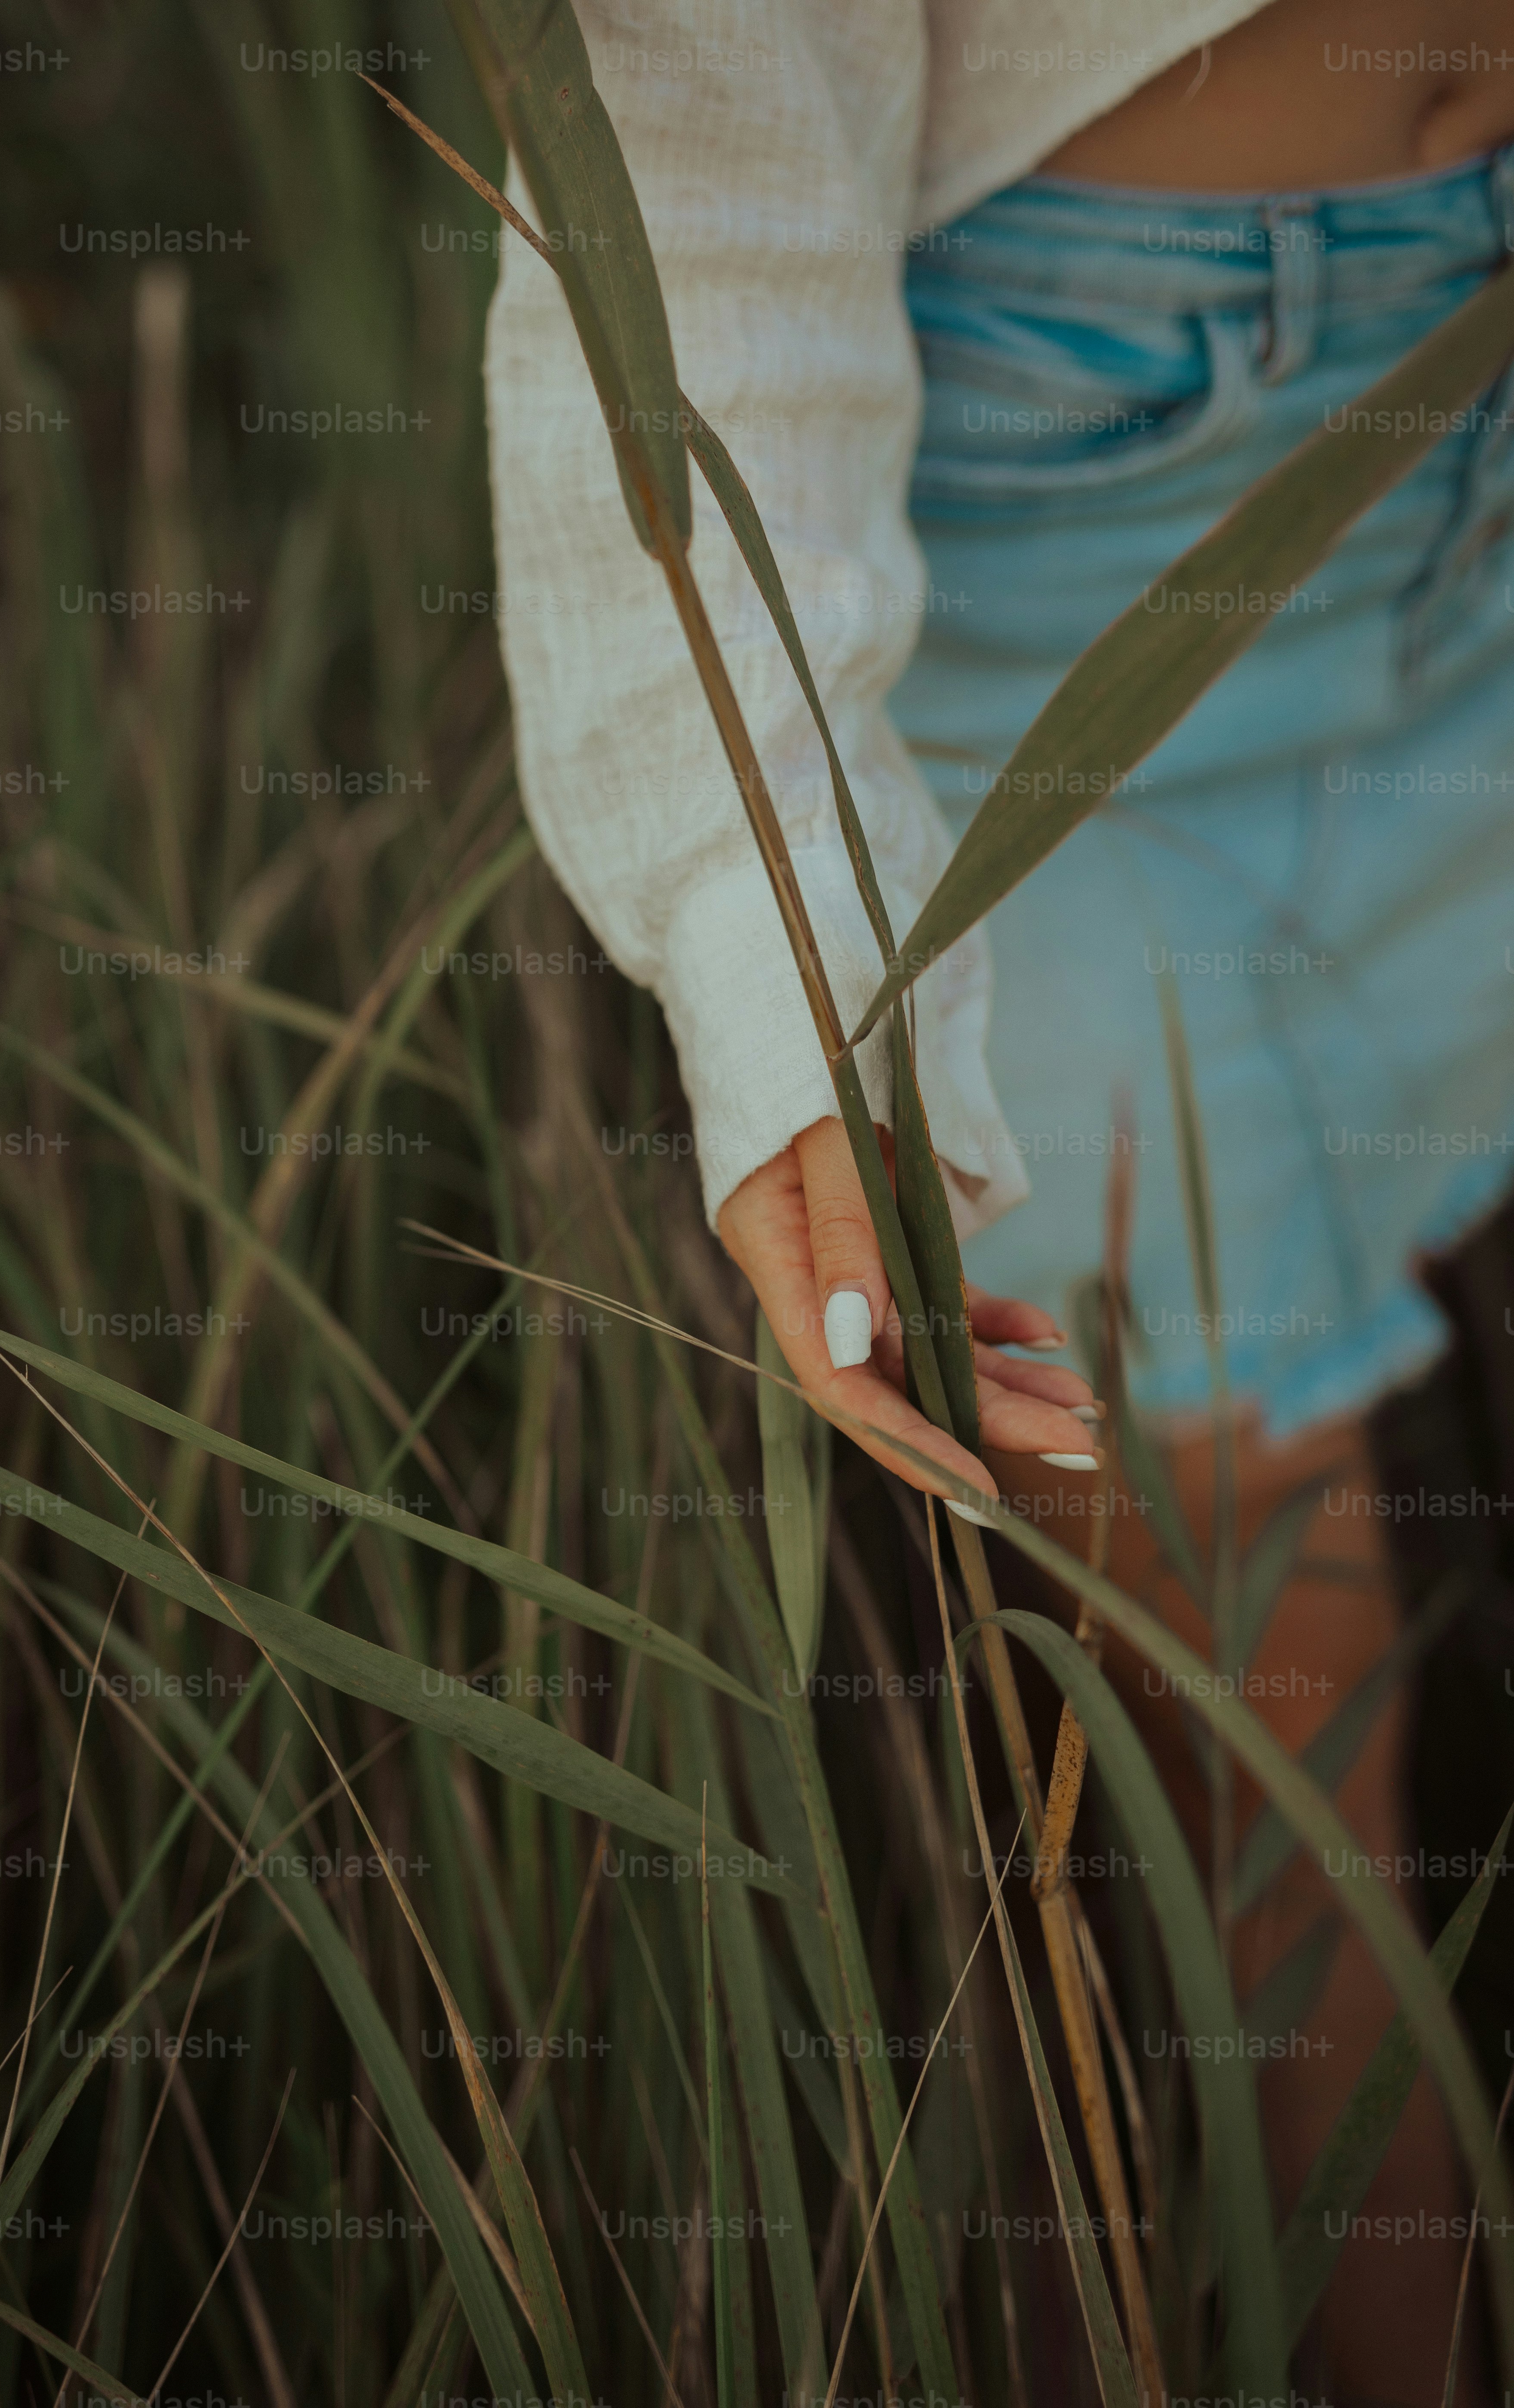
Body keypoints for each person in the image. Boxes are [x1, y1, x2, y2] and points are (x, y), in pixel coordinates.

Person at [485, 4, 1514, 2398]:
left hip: (1466, 537)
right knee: (1268, 1658)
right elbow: (684, 263)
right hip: (1056, 668)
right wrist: (788, 970)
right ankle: (1367, 2340)